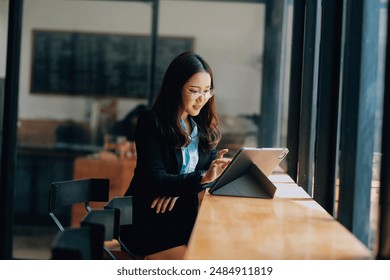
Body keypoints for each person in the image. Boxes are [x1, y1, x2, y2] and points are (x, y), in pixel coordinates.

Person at [121, 52, 231, 260]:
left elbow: (206, 175)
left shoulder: (203, 128)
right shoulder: (151, 121)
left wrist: (178, 188)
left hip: (182, 216)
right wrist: (198, 180)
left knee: (222, 247)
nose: (202, 99)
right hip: (149, 219)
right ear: (175, 88)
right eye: (194, 91)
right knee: (202, 257)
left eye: (207, 91)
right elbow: (154, 178)